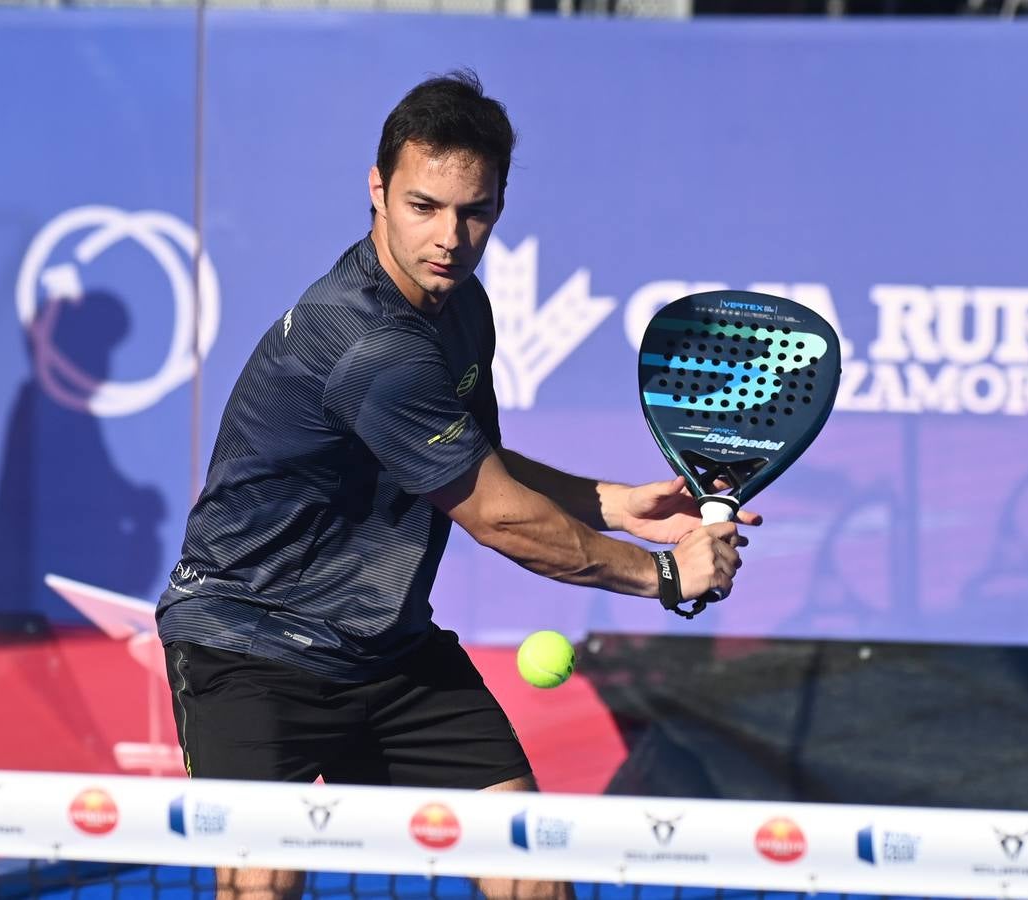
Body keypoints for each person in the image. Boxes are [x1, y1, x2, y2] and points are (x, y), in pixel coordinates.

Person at [156, 69, 757, 900]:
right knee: (262, 886)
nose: (449, 236)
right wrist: (660, 574)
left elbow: (479, 463)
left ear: (499, 205)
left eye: (473, 212)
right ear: (377, 190)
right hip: (250, 644)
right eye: (424, 206)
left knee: (530, 877)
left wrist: (619, 503)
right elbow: (501, 518)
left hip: (387, 650)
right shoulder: (371, 344)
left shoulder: (462, 307)